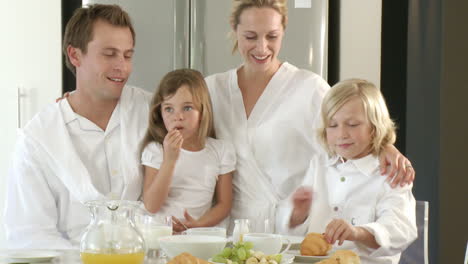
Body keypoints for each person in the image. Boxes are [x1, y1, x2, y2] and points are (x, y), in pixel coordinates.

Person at [204, 0, 415, 233]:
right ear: (235, 30)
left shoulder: (308, 87)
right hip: (233, 230)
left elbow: (348, 130)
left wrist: (385, 146)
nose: (262, 48)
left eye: (272, 37)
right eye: (251, 37)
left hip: (293, 228)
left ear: (283, 31)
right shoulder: (214, 89)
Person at [4, 4, 151, 249]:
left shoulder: (155, 113)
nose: (122, 67)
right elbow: (29, 236)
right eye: (109, 53)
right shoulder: (37, 139)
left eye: (127, 55)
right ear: (75, 55)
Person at [280, 79, 417, 264]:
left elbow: (400, 229)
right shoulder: (319, 165)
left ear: (375, 128)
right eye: (333, 125)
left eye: (352, 124)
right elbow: (289, 231)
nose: (342, 134)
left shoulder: (390, 172)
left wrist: (357, 233)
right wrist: (298, 214)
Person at [140, 69, 235, 233]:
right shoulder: (156, 150)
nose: (178, 117)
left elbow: (224, 204)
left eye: (187, 108)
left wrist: (198, 225)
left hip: (197, 237)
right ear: (159, 113)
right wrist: (169, 160)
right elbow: (151, 206)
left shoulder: (221, 150)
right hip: (159, 237)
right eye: (169, 109)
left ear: (203, 110)